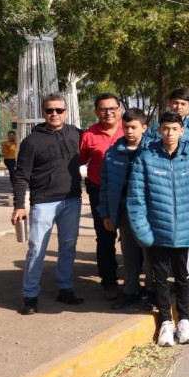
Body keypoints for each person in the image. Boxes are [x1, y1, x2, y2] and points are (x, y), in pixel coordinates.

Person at [128, 111, 189, 346]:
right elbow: (136, 198)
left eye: (174, 129)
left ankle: (184, 321)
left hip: (185, 231)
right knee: (160, 278)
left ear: (182, 131)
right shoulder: (146, 159)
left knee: (183, 278)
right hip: (156, 232)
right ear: (159, 130)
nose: (170, 133)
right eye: (165, 128)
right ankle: (165, 322)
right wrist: (143, 231)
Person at [13, 94, 83, 315]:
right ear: (43, 113)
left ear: (66, 112)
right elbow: (21, 175)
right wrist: (19, 205)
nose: (54, 114)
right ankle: (30, 295)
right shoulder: (32, 141)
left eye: (59, 110)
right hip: (43, 203)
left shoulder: (76, 134)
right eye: (50, 110)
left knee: (68, 247)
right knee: (36, 249)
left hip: (72, 200)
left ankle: (65, 288)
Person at [97, 108, 152, 310]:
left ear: (144, 128)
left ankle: (152, 291)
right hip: (123, 211)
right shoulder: (113, 153)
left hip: (148, 212)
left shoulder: (153, 151)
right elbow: (105, 185)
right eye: (126, 127)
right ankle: (131, 290)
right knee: (129, 253)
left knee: (150, 254)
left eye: (134, 127)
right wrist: (106, 213)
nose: (129, 131)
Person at [80, 93, 124, 300]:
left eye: (112, 108)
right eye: (103, 109)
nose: (108, 113)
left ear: (120, 110)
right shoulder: (89, 135)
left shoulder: (130, 128)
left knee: (134, 238)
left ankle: (133, 282)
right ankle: (109, 281)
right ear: (97, 112)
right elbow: (79, 161)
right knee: (105, 237)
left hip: (129, 192)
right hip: (100, 193)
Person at [145, 88, 189, 158]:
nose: (179, 107)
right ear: (169, 104)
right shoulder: (154, 130)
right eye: (175, 103)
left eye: (183, 104)